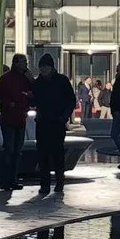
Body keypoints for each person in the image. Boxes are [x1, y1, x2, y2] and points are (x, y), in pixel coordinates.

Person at [31, 52, 76, 198]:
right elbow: (35, 101)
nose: (43, 70)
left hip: (57, 122)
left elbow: (71, 101)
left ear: (51, 67)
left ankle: (59, 181)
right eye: (41, 67)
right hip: (43, 122)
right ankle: (44, 184)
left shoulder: (61, 81)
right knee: (42, 154)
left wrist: (63, 118)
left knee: (57, 153)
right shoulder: (38, 83)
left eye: (45, 67)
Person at [0, 53, 32, 193]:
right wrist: (8, 103)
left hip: (20, 118)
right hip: (9, 118)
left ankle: (13, 179)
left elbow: (32, 91)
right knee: (9, 150)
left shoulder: (26, 78)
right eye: (23, 61)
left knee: (17, 151)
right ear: (16, 63)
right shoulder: (6, 78)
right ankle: (5, 180)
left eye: (26, 61)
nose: (26, 64)